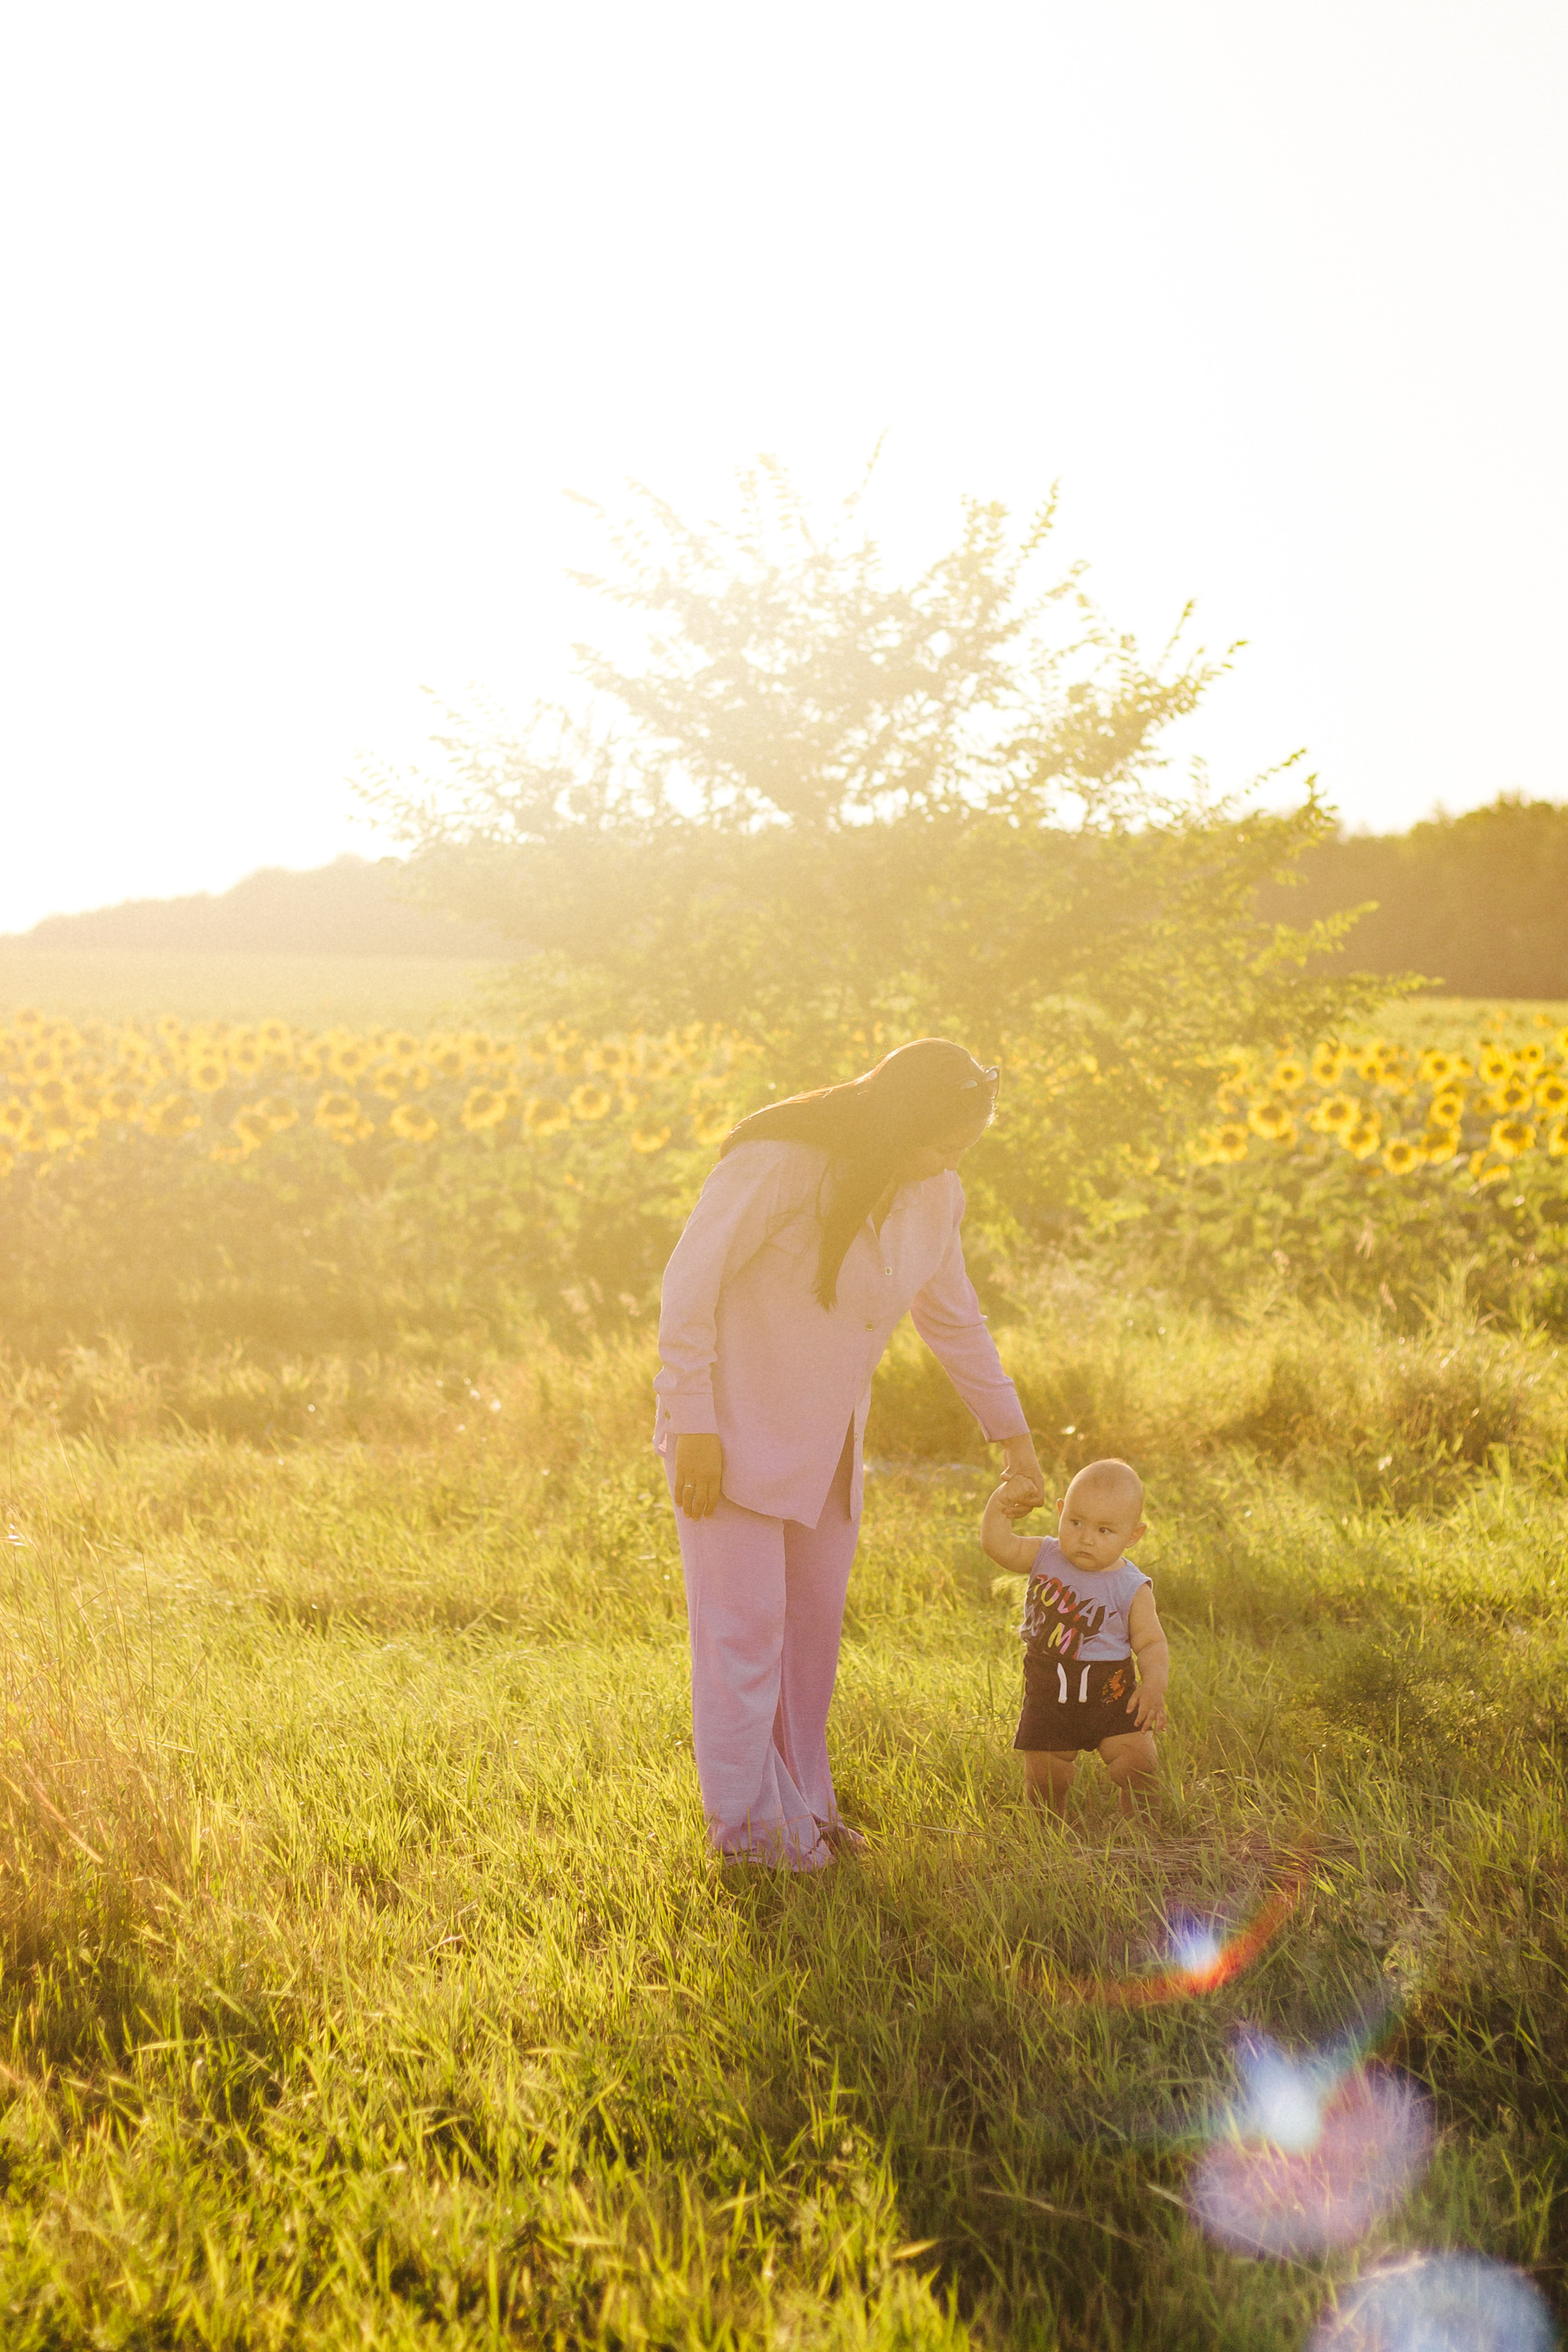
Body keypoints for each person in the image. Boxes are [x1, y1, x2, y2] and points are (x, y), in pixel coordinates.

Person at [656, 1038, 1044, 1871]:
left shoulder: (937, 1197)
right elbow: (689, 1287)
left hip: (827, 1451)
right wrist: (692, 1423)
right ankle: (753, 1838)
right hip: (725, 1438)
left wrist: (1013, 1436)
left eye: (963, 1150)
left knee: (808, 1642)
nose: (947, 1163)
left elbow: (956, 1321)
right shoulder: (779, 1164)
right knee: (745, 1634)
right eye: (940, 1144)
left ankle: (807, 1815)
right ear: (899, 1120)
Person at [981, 1457, 1169, 1819]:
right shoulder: (1045, 1555)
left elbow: (1151, 1643)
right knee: (1046, 1779)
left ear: (1133, 1535)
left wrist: (1154, 1685)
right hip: (1050, 1690)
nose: (1086, 1538)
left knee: (1136, 1765)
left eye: (1104, 1531)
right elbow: (998, 1546)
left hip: (1111, 1694)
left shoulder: (1131, 1586)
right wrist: (1000, 1504)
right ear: (1061, 1512)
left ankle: (1144, 1828)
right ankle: (1050, 1832)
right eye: (1076, 1522)